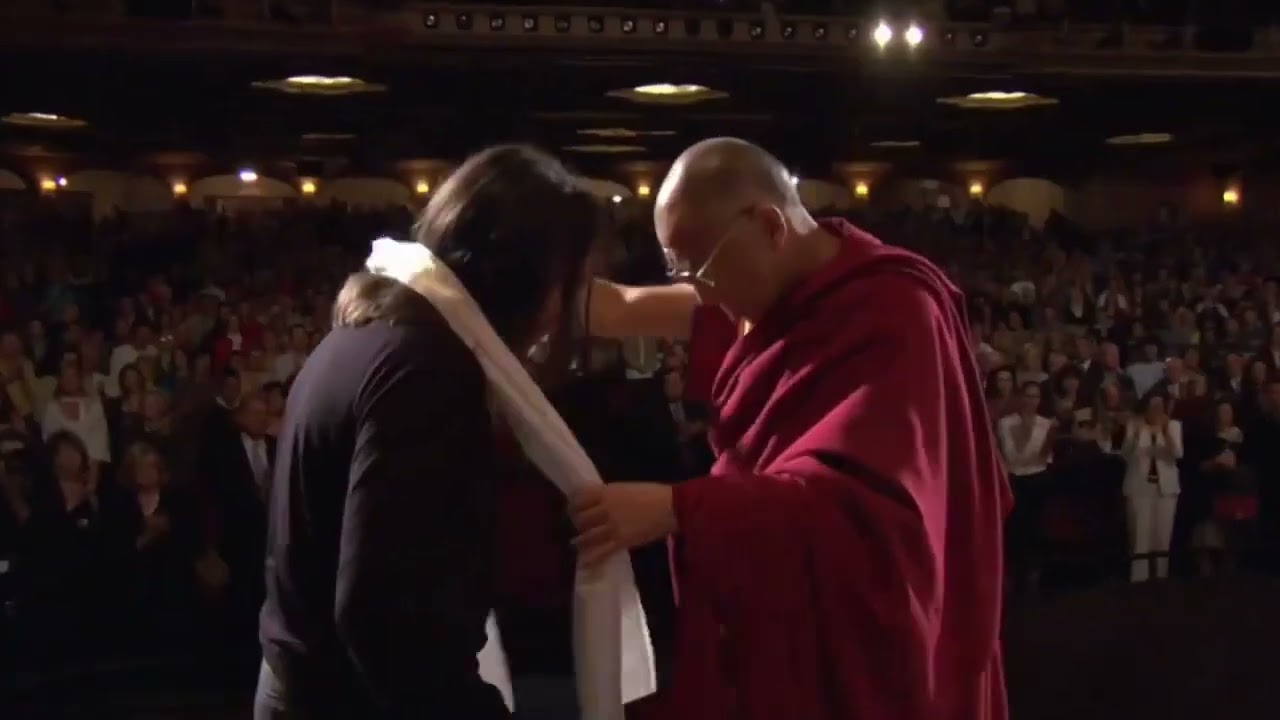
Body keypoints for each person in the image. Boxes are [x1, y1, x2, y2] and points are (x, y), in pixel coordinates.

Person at [574, 137, 1010, 719]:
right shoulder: (772, 291)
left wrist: (678, 509)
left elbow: (869, 517)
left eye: (700, 269)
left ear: (770, 226)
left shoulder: (894, 311)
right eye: (680, 270)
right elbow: (621, 307)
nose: (698, 292)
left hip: (881, 665)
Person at [256, 145, 602, 719]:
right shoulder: (427, 369)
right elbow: (381, 615)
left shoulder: (372, 333)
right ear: (525, 276)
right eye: (570, 281)